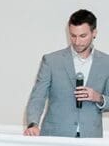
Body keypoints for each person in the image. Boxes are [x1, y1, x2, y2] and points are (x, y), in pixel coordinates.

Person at [24, 9, 109, 138]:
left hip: (90, 138)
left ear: (94, 33)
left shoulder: (106, 63)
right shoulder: (51, 61)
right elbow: (37, 97)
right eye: (73, 36)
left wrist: (99, 98)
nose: (77, 42)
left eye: (83, 36)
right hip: (55, 136)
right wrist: (32, 124)